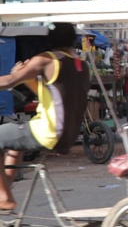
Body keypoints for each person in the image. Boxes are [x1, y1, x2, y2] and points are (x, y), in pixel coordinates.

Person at [0, 22, 90, 210]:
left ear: (49, 40)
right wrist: (27, 78)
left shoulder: (47, 59)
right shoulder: (81, 65)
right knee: (14, 146)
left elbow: (9, 82)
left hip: (47, 131)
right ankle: (5, 191)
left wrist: (18, 75)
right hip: (68, 133)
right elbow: (51, 94)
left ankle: (4, 197)